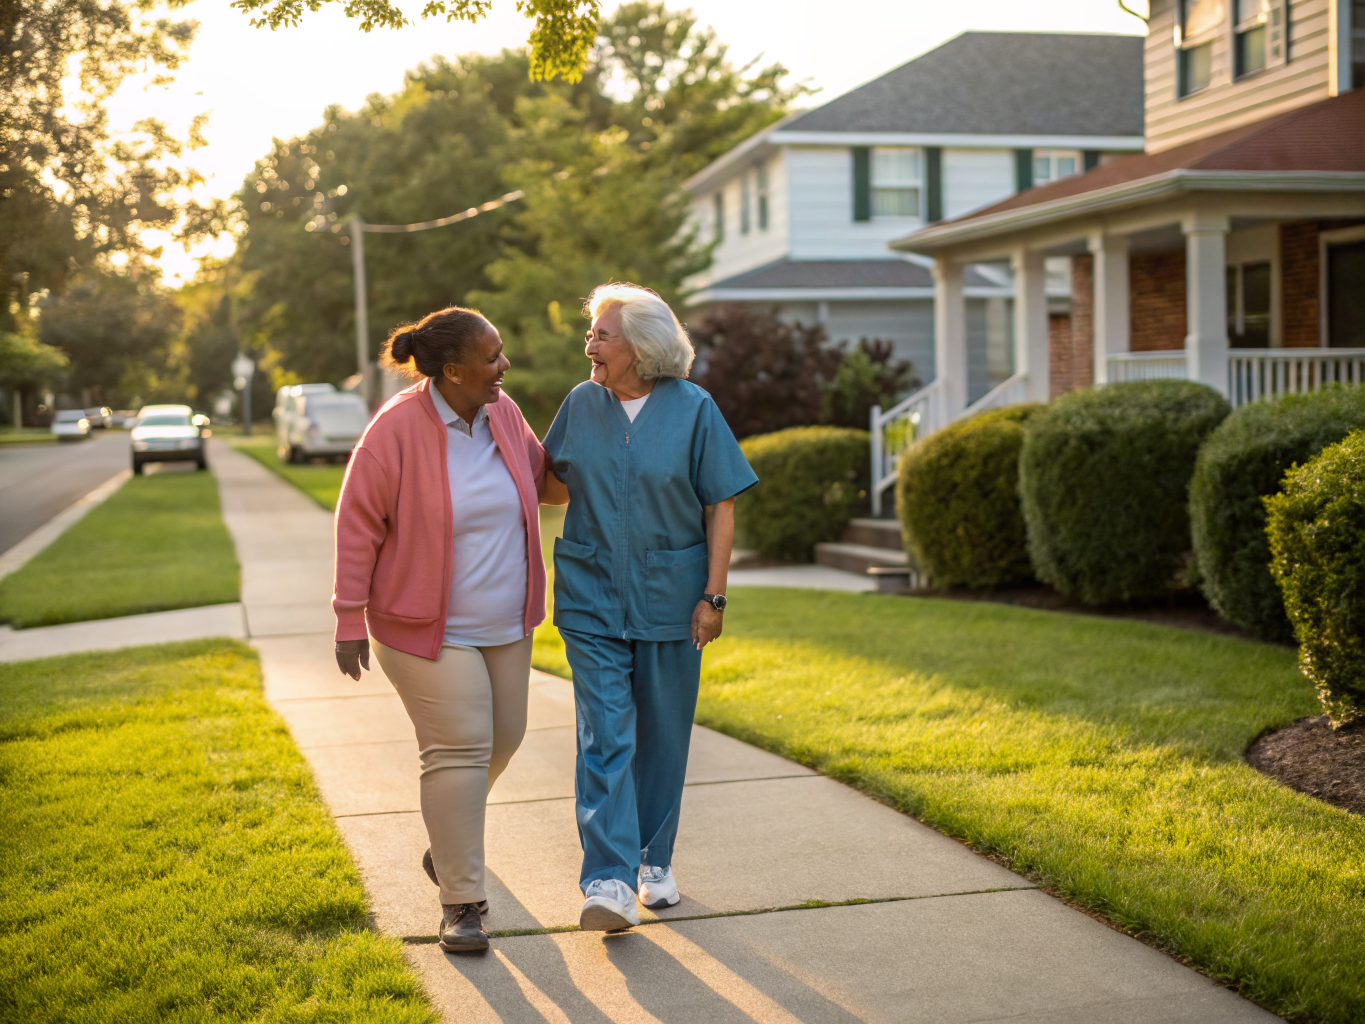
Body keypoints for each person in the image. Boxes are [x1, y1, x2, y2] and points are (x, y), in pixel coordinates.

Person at [540, 283, 758, 931]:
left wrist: (712, 595)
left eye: (601, 336)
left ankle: (651, 861)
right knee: (605, 735)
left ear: (640, 347)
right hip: (590, 597)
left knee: (661, 736)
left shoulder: (693, 408)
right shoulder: (581, 403)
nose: (590, 345)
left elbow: (720, 503)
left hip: (672, 596)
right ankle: (606, 879)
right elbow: (550, 486)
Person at [332, 306, 548, 953]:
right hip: (423, 626)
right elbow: (357, 525)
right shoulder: (395, 429)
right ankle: (463, 902)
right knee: (459, 745)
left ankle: (446, 843)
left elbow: (545, 482)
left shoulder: (503, 413)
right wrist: (347, 618)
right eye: (492, 357)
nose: (503, 367)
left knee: (503, 737)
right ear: (452, 370)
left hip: (506, 621)